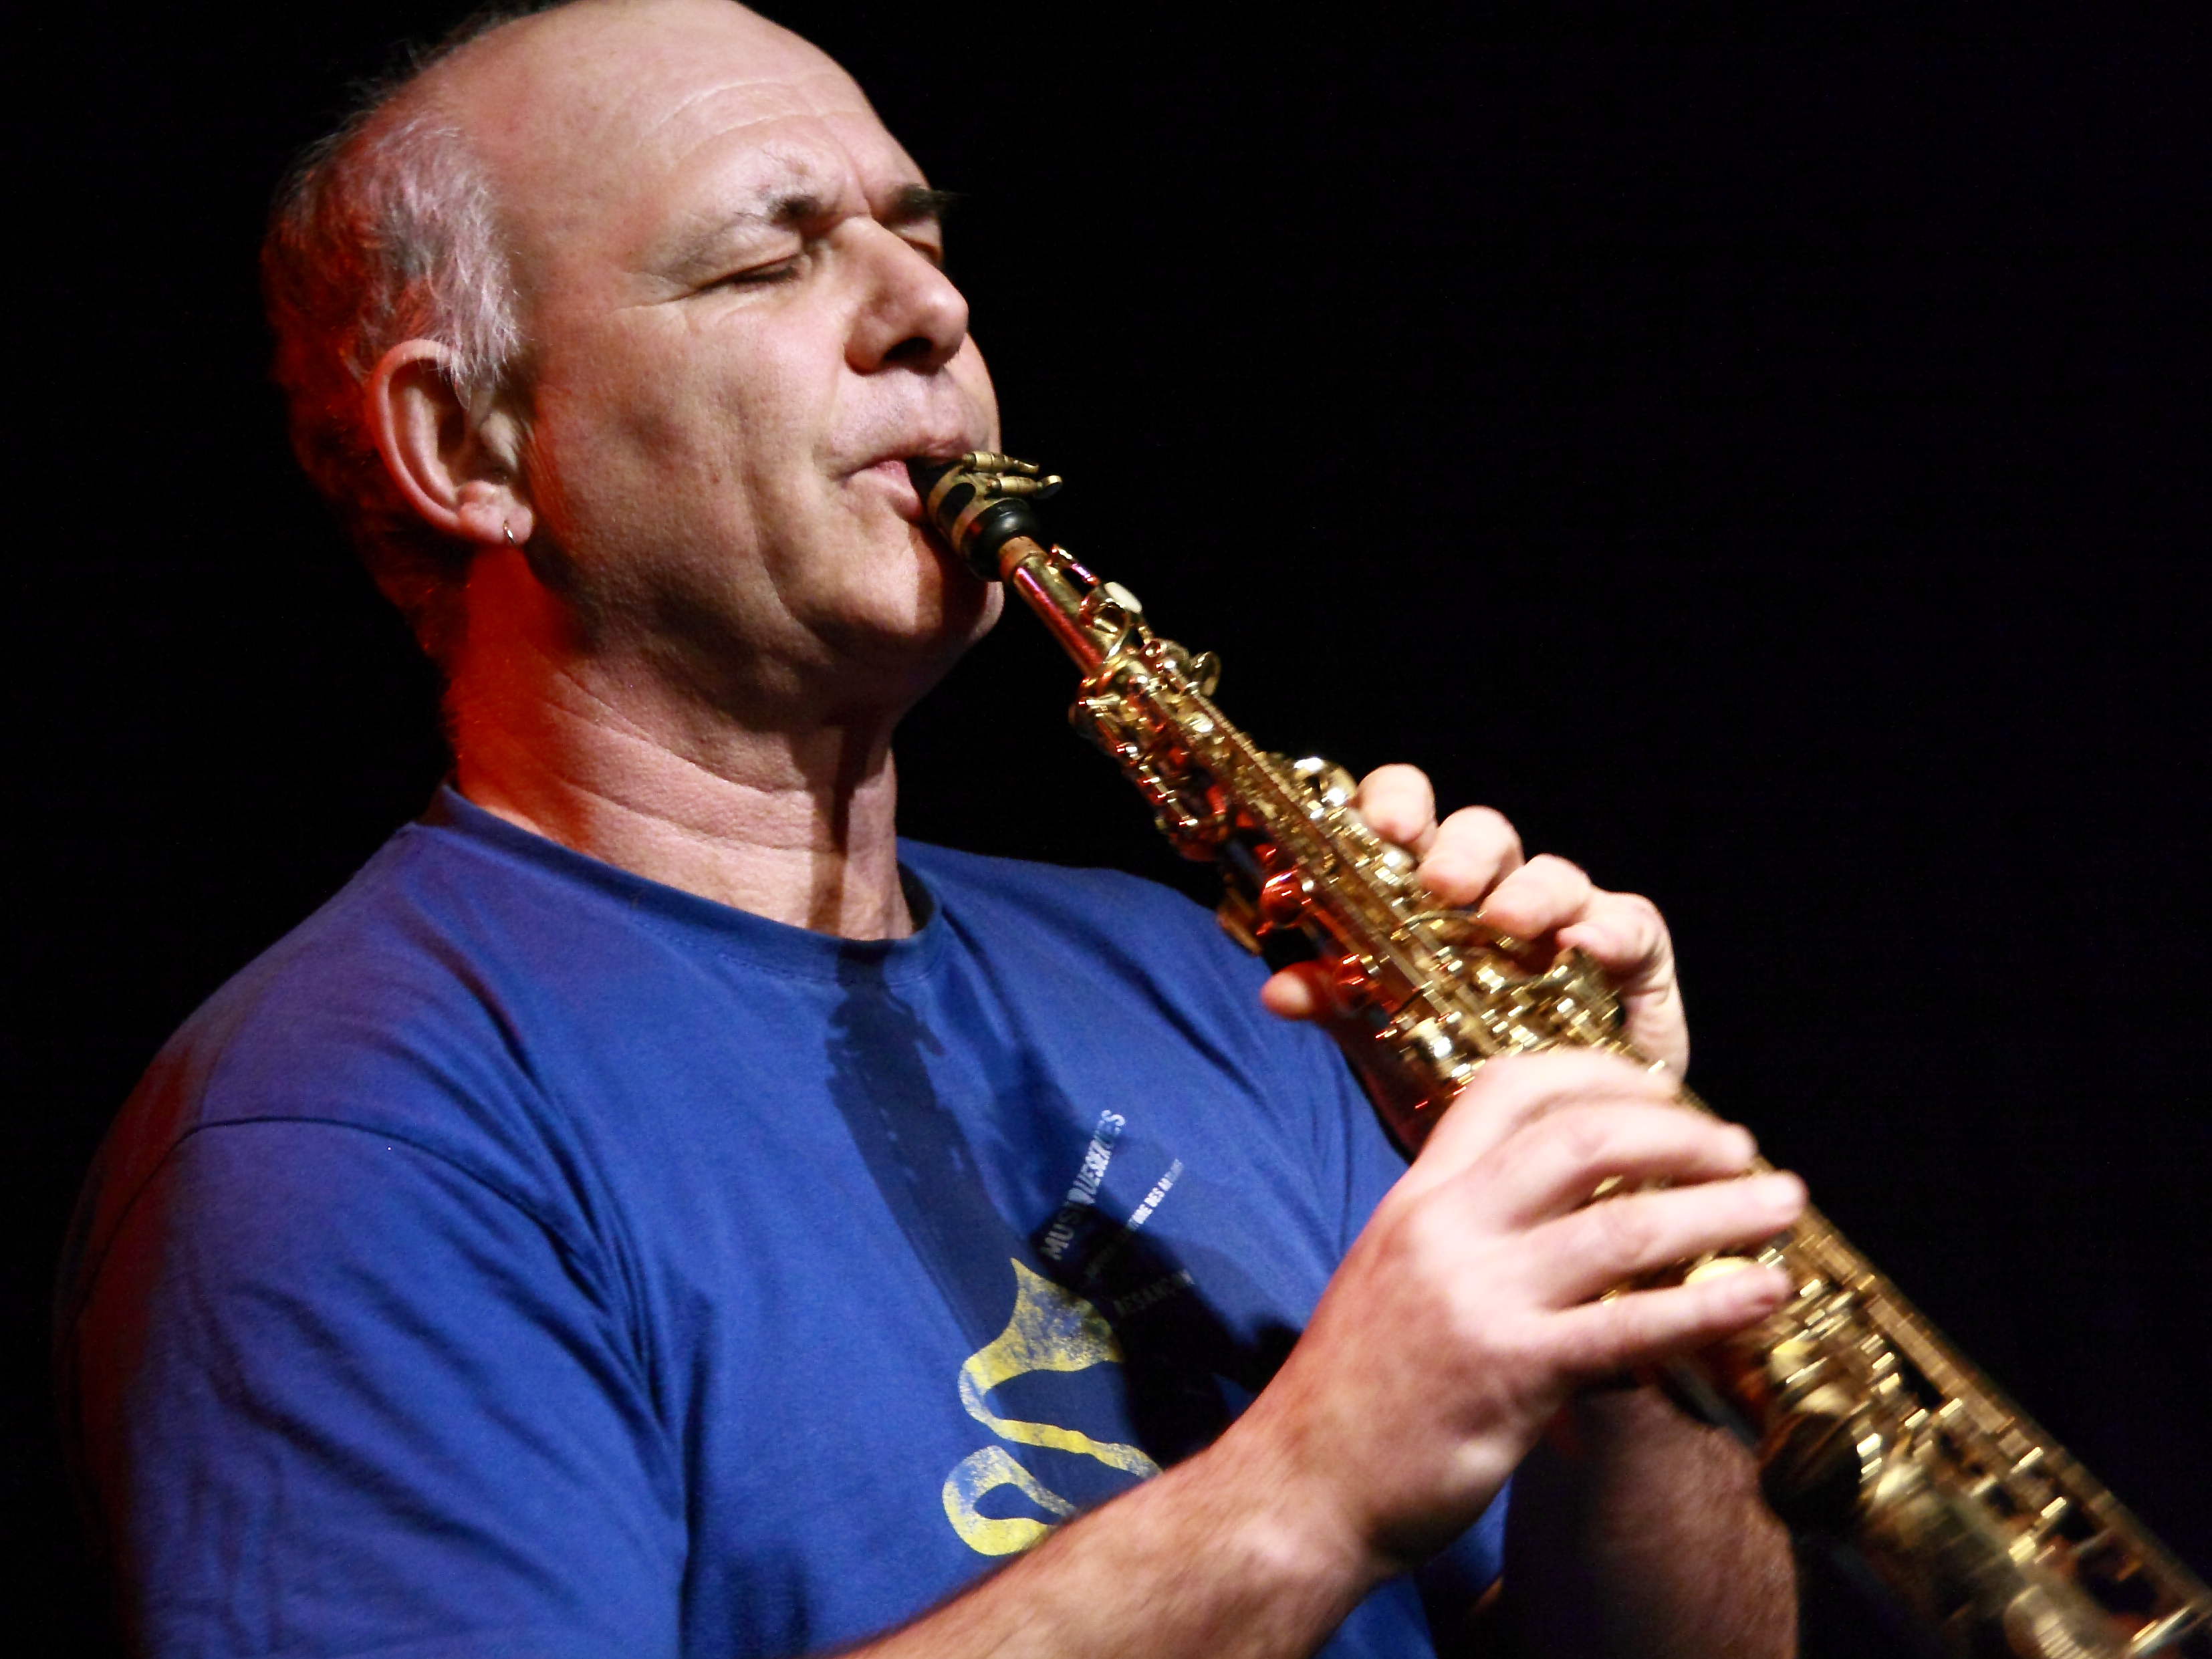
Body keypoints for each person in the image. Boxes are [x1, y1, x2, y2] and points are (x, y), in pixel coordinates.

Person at [58, 3, 1809, 1655]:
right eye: (769, 259)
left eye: (922, 236)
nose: (930, 312)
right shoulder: (338, 1130)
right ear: (471, 444)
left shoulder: (1216, 980)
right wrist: (1310, 1483)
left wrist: (1638, 1299)